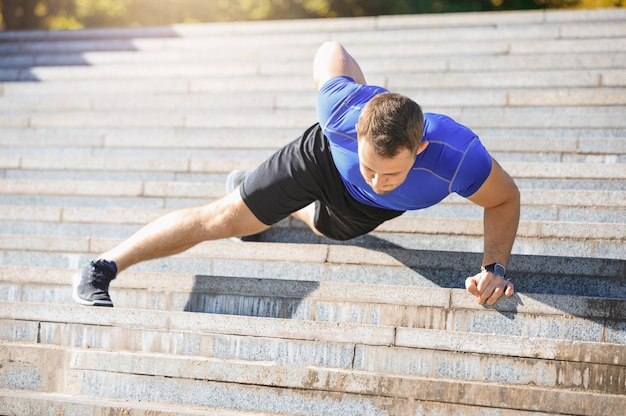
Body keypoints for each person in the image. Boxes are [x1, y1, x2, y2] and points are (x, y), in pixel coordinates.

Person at [72, 41, 520, 308]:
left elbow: (504, 198)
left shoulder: (458, 156)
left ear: (420, 149)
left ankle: (285, 210)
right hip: (317, 161)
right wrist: (367, 93)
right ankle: (103, 267)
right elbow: (331, 49)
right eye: (369, 167)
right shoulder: (342, 108)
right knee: (223, 219)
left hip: (365, 214)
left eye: (392, 173)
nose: (377, 179)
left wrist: (493, 268)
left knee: (326, 226)